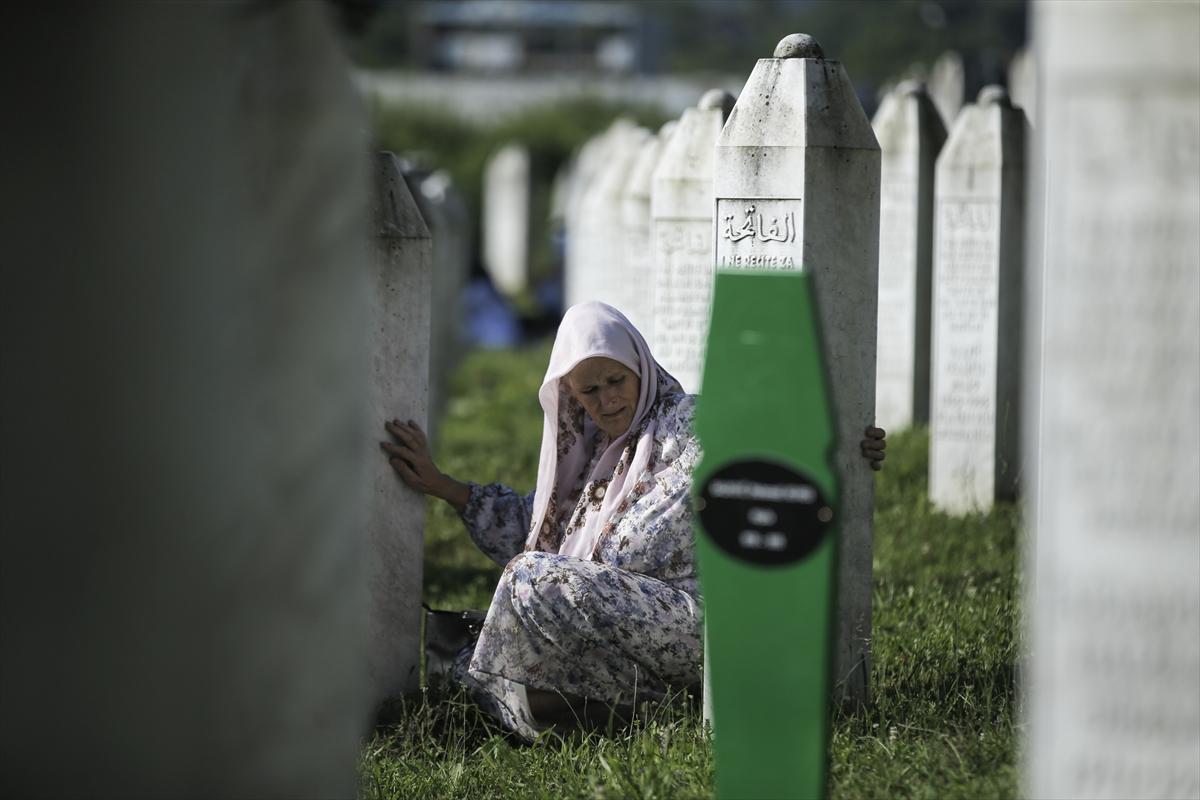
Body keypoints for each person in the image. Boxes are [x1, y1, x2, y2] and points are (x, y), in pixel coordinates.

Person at [381, 302, 886, 740]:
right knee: (503, 613)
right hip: (618, 639)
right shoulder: (587, 452)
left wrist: (846, 449)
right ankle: (628, 707)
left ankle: (509, 700)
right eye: (589, 391)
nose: (607, 401)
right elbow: (531, 525)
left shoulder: (686, 423)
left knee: (526, 580)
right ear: (572, 396)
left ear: (640, 368)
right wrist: (440, 483)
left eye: (616, 380)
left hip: (699, 625)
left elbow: (760, 445)